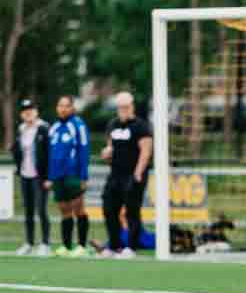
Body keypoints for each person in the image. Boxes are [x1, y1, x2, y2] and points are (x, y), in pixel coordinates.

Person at [99, 92, 153, 259]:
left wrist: (138, 172)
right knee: (109, 207)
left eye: (126, 106)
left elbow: (146, 150)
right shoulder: (113, 125)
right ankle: (114, 245)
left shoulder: (141, 126)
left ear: (132, 107)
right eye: (120, 107)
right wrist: (106, 154)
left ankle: (131, 246)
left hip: (133, 174)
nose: (123, 110)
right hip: (115, 173)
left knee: (131, 210)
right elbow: (109, 147)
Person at [46, 96, 90, 257]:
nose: (63, 109)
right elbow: (51, 153)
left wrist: (84, 177)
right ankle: (66, 245)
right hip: (57, 176)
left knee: (78, 208)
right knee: (64, 210)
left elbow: (84, 150)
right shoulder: (55, 127)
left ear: (72, 108)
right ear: (57, 108)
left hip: (73, 174)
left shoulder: (78, 125)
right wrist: (50, 177)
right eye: (60, 105)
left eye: (66, 106)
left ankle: (82, 245)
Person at [10, 100, 51, 256]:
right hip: (25, 174)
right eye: (25, 110)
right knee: (28, 211)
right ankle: (29, 242)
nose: (28, 113)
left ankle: (45, 243)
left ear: (36, 111)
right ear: (21, 114)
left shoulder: (44, 128)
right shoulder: (21, 129)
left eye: (31, 110)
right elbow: (19, 150)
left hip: (40, 176)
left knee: (41, 209)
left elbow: (49, 154)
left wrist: (48, 177)